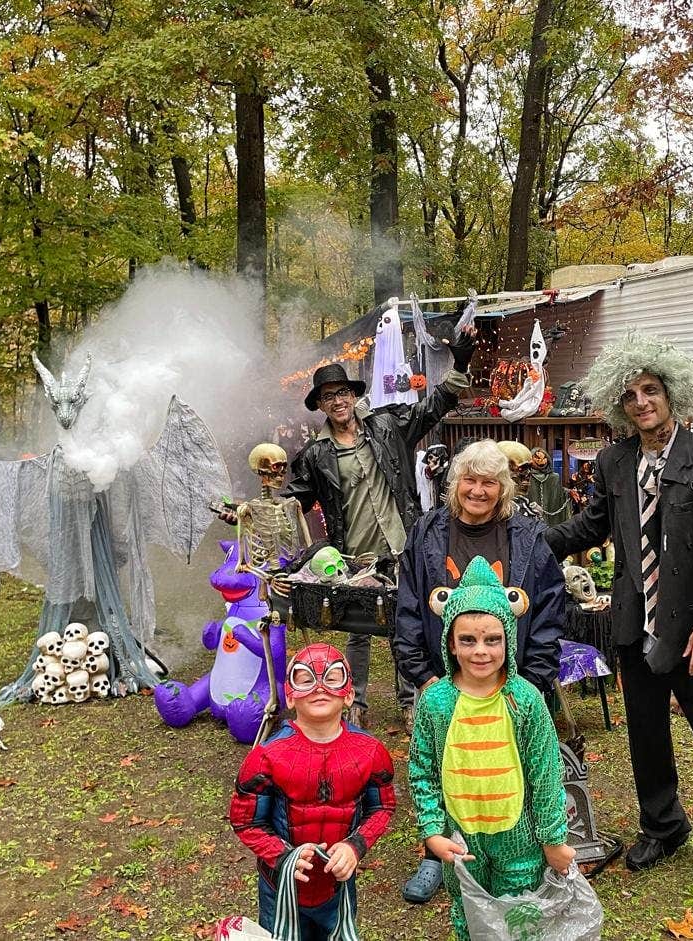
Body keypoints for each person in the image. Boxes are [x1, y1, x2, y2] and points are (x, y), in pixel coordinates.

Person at [546, 330, 693, 898]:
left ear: (671, 394)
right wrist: (527, 539)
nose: (641, 402)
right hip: (633, 625)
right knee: (646, 735)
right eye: (630, 395)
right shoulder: (615, 462)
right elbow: (591, 526)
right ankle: (663, 826)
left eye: (650, 390)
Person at [393, 438, 566, 904]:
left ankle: (523, 853)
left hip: (509, 684)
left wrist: (531, 680)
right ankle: (437, 854)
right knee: (444, 766)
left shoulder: (527, 538)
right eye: (469, 479)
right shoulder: (427, 533)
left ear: (503, 488)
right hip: (445, 681)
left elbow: (549, 610)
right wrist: (424, 675)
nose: (478, 490)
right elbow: (409, 605)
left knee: (512, 769)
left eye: (489, 482)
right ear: (455, 484)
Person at [284, 330, 475, 730]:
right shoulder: (316, 454)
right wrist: (254, 512)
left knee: (404, 625)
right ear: (320, 405)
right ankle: (356, 702)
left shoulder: (387, 426)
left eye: (342, 393)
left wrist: (459, 363)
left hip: (402, 544)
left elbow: (433, 407)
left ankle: (409, 702)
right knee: (358, 631)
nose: (337, 401)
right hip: (356, 556)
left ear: (352, 396)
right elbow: (293, 500)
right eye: (328, 396)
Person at [408, 556, 574, 941]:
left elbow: (546, 775)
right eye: (468, 640)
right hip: (460, 842)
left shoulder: (524, 700)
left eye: (492, 639)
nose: (480, 651)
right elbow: (422, 771)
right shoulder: (436, 703)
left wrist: (553, 839)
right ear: (451, 642)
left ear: (508, 640)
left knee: (520, 919)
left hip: (520, 841)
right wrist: (432, 830)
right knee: (469, 917)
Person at [229, 642, 396, 940]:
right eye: (306, 679)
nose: (319, 687)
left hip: (338, 885)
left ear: (349, 694)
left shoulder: (371, 751)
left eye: (332, 678)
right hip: (280, 888)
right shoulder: (266, 756)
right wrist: (281, 856)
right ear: (290, 696)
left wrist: (355, 846)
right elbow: (245, 820)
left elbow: (382, 806)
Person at [529, 446, 571, 523]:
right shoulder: (526, 477)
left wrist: (569, 492)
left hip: (551, 519)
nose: (540, 461)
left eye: (543, 458)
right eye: (537, 458)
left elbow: (559, 492)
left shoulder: (554, 477)